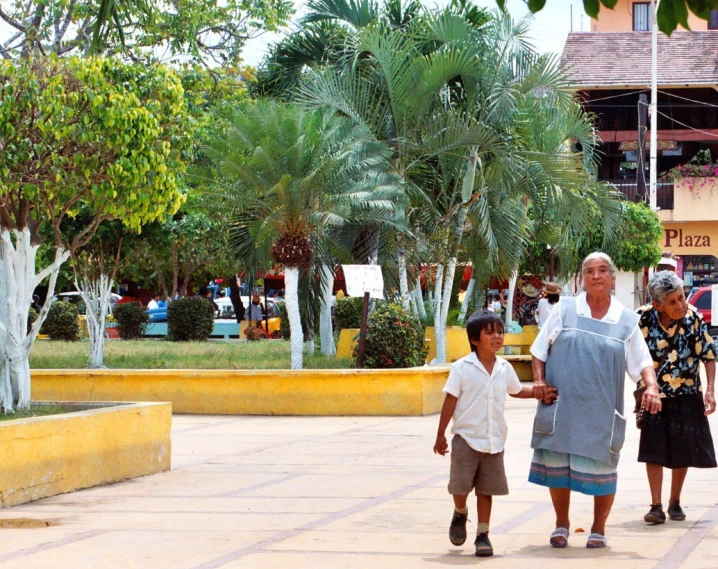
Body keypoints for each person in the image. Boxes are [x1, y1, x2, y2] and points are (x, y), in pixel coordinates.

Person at [529, 252, 662, 549]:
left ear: (613, 278)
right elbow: (539, 351)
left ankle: (598, 527)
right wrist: (539, 380)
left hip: (601, 413)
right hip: (562, 409)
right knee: (558, 469)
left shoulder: (627, 321)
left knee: (604, 468)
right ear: (582, 279)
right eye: (590, 271)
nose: (597, 276)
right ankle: (561, 523)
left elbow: (642, 362)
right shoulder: (563, 311)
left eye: (603, 270)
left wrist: (651, 387)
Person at [434, 311, 557, 557]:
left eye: (499, 331)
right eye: (489, 332)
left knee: (486, 489)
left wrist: (538, 393)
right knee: (460, 487)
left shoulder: (504, 367)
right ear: (475, 340)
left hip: (494, 440)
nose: (497, 336)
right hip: (466, 439)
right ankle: (460, 512)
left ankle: (483, 534)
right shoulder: (462, 368)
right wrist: (441, 435)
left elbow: (515, 390)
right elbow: (450, 400)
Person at [636, 271, 716, 524]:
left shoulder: (692, 317)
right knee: (653, 449)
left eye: (681, 298)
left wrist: (711, 390)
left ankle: (675, 501)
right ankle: (656, 505)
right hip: (654, 395)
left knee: (683, 449)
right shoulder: (643, 318)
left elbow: (708, 355)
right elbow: (632, 355)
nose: (680, 305)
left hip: (687, 393)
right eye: (672, 302)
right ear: (657, 304)